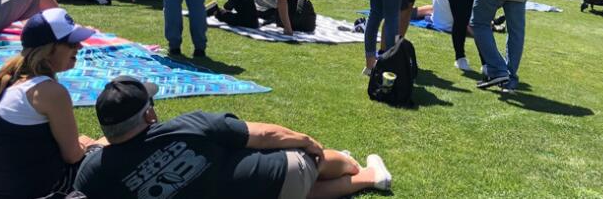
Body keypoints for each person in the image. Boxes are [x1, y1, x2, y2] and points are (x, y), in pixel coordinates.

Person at [74, 76, 391, 198]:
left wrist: (99, 148)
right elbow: (266, 135)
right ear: (149, 115)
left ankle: (368, 178)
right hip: (276, 176)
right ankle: (359, 169)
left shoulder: (95, 172)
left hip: (248, 191)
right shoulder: (189, 126)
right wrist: (308, 141)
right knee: (306, 161)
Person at [0, 9, 99, 199]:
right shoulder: (51, 92)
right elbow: (72, 156)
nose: (79, 47)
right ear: (48, 49)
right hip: (42, 193)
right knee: (108, 153)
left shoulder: (3, 80)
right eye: (71, 43)